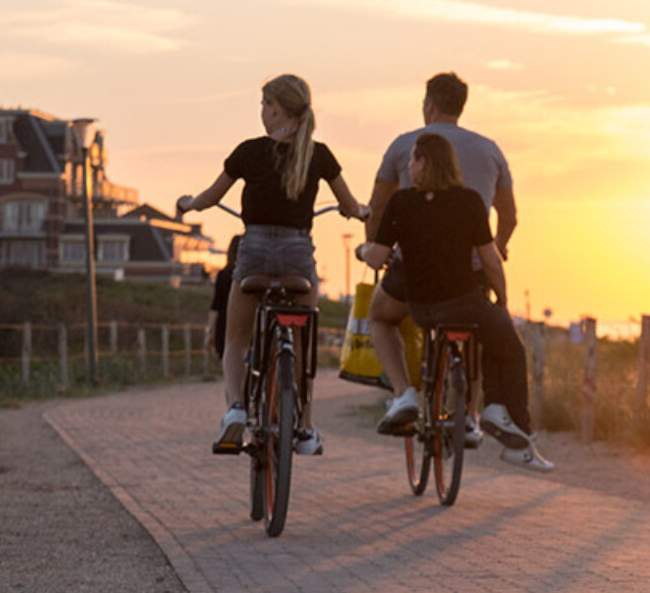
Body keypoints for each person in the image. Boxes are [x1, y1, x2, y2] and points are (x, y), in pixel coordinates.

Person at [178, 73, 364, 456]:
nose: (262, 111)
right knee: (302, 341)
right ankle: (307, 427)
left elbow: (211, 197)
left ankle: (235, 409)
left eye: (265, 104)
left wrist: (188, 203)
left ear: (277, 108)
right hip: (297, 254)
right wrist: (360, 212)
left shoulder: (248, 151)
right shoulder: (320, 154)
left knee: (235, 339)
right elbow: (349, 205)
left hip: (255, 252)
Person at [362, 132, 552, 472]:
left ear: (423, 163)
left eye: (413, 160)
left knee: (391, 318)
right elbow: (491, 261)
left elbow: (376, 259)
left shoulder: (401, 203)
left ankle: (406, 394)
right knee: (508, 345)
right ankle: (501, 418)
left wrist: (363, 250)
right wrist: (502, 302)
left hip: (421, 308)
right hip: (464, 304)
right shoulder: (469, 202)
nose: (410, 166)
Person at [363, 72, 517, 448]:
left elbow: (378, 207)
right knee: (478, 329)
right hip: (470, 274)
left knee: (380, 317)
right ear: (460, 106)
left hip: (412, 271)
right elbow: (509, 216)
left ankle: (404, 394)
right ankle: (470, 415)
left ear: (429, 104)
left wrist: (375, 253)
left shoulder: (405, 145)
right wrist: (495, 248)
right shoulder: (490, 150)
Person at [205, 235, 242, 360]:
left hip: (224, 325)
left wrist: (210, 332)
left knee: (229, 361)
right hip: (244, 322)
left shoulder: (223, 275)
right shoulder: (251, 277)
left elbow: (216, 306)